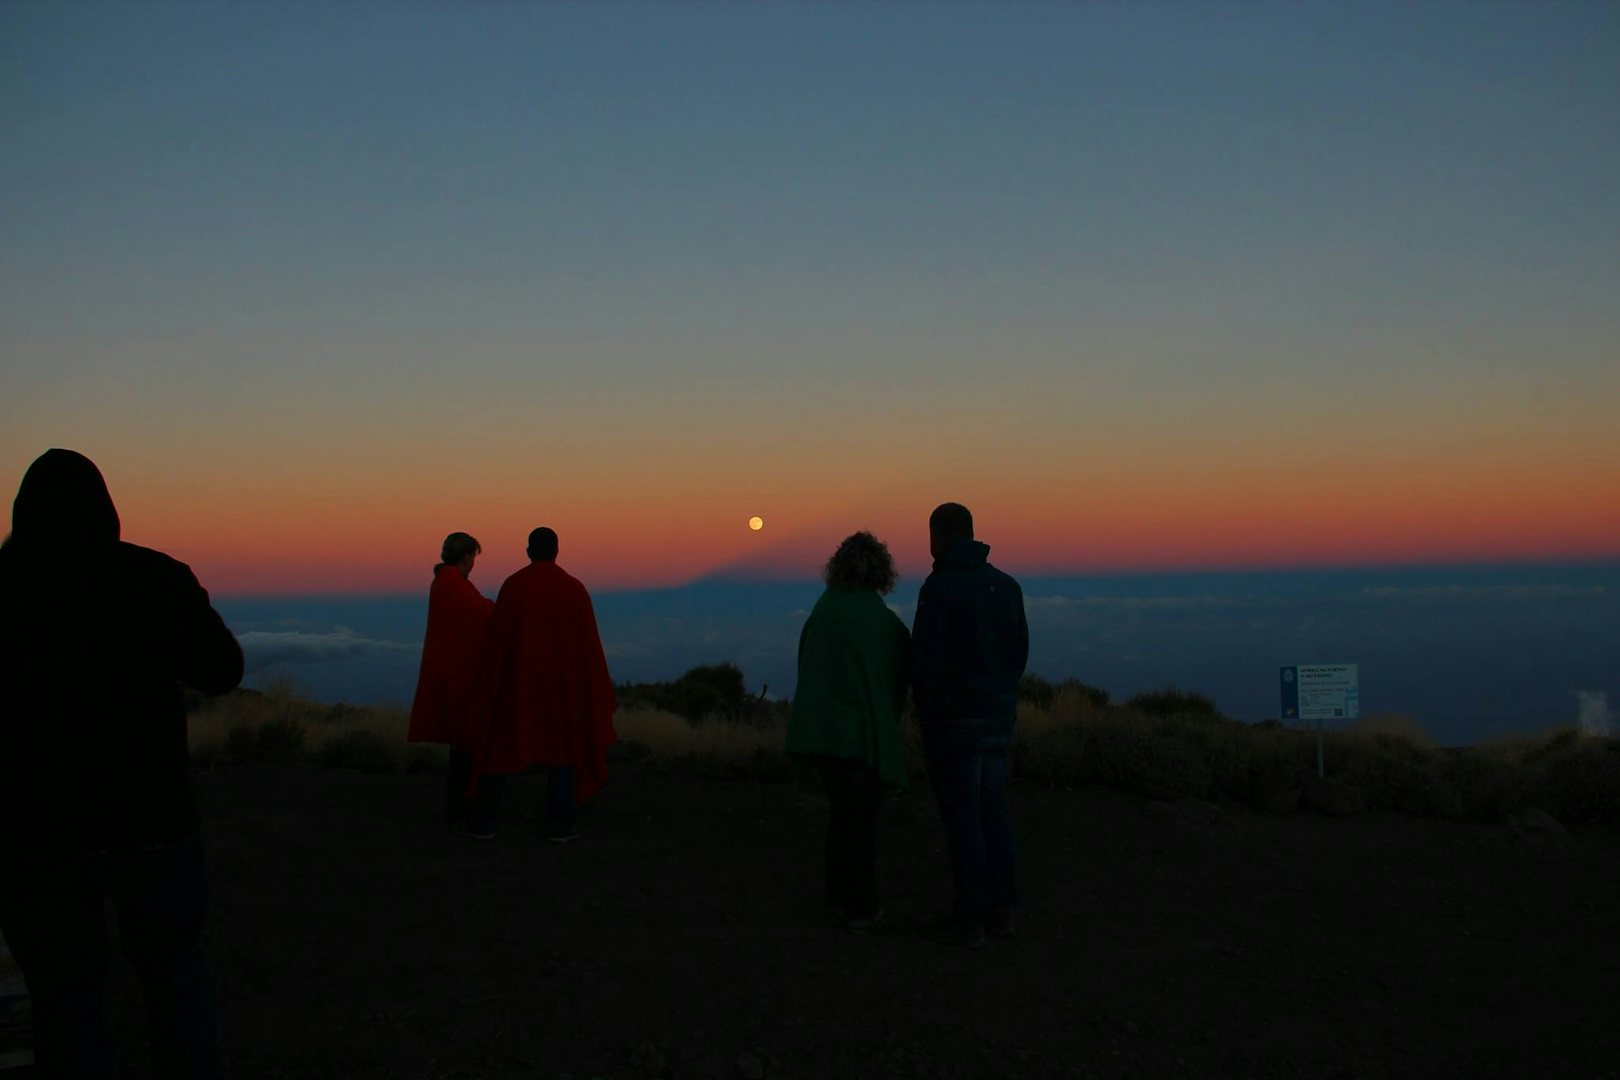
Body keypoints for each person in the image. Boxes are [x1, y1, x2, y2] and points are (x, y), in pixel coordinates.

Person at [0, 449, 244, 1077]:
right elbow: (223, 670)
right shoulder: (154, 575)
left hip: (35, 829)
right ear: (105, 508)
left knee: (64, 996)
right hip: (152, 818)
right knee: (174, 975)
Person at [911, 502, 1028, 948]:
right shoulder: (1007, 586)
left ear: (938, 535)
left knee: (963, 821)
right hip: (998, 717)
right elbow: (1019, 653)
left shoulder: (939, 588)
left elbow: (926, 660)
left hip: (955, 722)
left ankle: (970, 919)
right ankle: (1004, 911)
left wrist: (925, 711)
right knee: (994, 813)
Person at [784, 531, 911, 933]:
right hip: (863, 739)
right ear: (880, 571)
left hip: (827, 739)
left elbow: (809, 672)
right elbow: (897, 679)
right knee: (861, 825)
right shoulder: (883, 623)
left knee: (841, 819)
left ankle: (838, 899)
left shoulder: (822, 615)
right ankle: (862, 907)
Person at [472, 527, 617, 841]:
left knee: (500, 748)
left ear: (528, 551)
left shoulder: (513, 587)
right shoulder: (574, 589)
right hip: (561, 691)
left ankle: (484, 822)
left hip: (517, 687)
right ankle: (560, 823)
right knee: (562, 751)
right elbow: (588, 648)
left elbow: (498, 642)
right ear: (556, 551)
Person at [406, 531, 495, 829]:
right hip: (460, 676)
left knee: (462, 747)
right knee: (464, 746)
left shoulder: (444, 582)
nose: (474, 563)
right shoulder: (454, 585)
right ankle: (460, 810)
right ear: (466, 556)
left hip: (453, 672)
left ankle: (458, 807)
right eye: (473, 557)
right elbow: (481, 614)